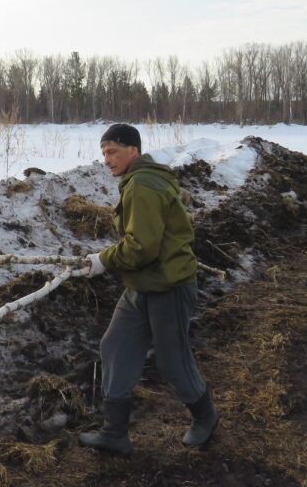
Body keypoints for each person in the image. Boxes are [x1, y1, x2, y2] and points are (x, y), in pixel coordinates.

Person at [79, 123, 218, 455]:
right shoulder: (141, 180)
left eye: (112, 151)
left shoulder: (142, 185)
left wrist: (104, 260)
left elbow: (142, 247)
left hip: (168, 286)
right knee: (115, 345)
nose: (107, 159)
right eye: (103, 153)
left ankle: (205, 416)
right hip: (142, 285)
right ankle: (114, 433)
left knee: (172, 360)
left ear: (133, 151)